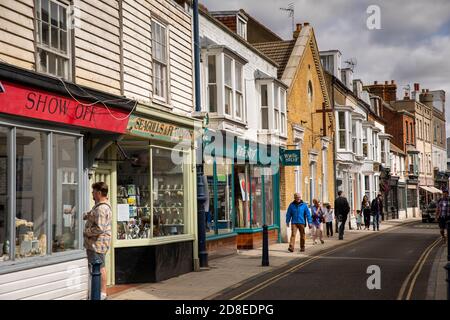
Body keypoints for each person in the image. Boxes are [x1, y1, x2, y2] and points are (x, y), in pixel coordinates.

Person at [84, 182, 112, 300]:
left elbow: (100, 228)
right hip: (98, 244)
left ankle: (101, 293)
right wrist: (85, 215)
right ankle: (101, 293)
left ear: (99, 193)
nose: (92, 194)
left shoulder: (101, 208)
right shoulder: (103, 206)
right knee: (101, 266)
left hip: (97, 244)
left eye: (93, 192)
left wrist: (86, 232)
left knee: (99, 268)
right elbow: (95, 218)